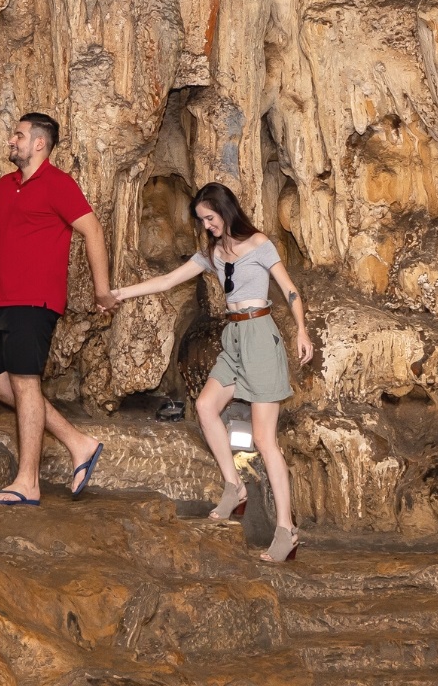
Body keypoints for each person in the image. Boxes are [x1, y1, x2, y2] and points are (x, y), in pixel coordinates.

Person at [108, 182, 313, 562]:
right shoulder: (213, 253)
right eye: (202, 221)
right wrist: (120, 294)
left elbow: (290, 289)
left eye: (210, 218)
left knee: (265, 441)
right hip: (233, 335)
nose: (207, 226)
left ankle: (286, 529)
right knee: (205, 408)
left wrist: (301, 330)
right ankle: (234, 487)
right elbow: (169, 280)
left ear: (226, 210)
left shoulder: (259, 244)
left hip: (260, 333)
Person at [0, 112, 112, 506]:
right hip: (2, 300)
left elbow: (92, 229)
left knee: (24, 383)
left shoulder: (58, 184)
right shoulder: (5, 186)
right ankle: (79, 443)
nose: (12, 141)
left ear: (39, 143)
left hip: (35, 300)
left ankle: (28, 482)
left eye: (19, 136)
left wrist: (102, 289)